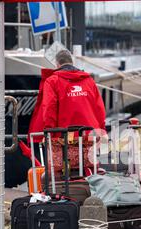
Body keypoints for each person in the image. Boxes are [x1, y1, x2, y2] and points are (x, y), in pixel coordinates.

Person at [39, 49, 106, 177]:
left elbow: (49, 110)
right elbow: (99, 109)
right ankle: (89, 186)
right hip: (88, 136)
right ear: (72, 61)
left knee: (58, 171)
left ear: (57, 64)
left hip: (65, 138)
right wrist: (101, 130)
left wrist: (49, 133)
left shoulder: (52, 81)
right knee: (88, 166)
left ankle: (63, 189)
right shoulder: (89, 80)